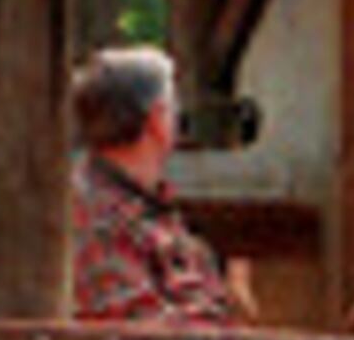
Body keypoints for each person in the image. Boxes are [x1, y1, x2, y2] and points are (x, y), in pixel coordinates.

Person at [69, 45, 247, 325]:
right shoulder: (94, 211)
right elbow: (134, 332)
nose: (178, 115)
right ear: (156, 120)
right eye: (172, 106)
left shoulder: (149, 207)